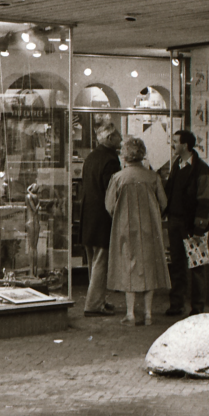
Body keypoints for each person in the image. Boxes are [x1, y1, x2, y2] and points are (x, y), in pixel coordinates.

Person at [105, 137, 170, 326]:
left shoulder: (118, 178)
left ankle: (131, 314)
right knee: (149, 268)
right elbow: (163, 203)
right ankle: (148, 314)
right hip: (150, 229)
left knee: (128, 268)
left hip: (125, 228)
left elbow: (109, 205)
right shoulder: (152, 177)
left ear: (125, 155)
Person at [164, 130, 209, 316]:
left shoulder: (201, 170)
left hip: (193, 226)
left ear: (185, 145)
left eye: (175, 141)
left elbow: (206, 200)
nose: (172, 144)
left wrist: (199, 227)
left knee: (196, 267)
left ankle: (198, 307)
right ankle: (177, 304)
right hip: (176, 223)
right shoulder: (177, 166)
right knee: (177, 264)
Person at [80, 122, 122, 316]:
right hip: (103, 217)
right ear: (109, 138)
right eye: (117, 136)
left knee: (93, 261)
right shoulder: (111, 161)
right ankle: (94, 304)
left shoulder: (90, 157)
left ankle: (97, 299)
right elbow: (112, 191)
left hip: (88, 215)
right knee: (101, 261)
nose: (121, 139)